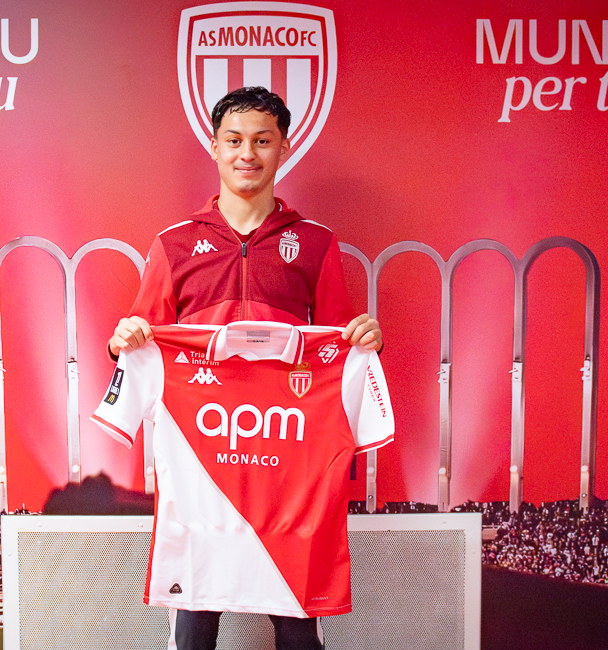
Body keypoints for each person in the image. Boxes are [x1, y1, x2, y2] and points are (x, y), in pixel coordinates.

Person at [106, 87, 383, 650]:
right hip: (202, 468)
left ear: (284, 147)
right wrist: (121, 342)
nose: (247, 153)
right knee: (194, 632)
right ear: (214, 147)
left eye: (261, 140)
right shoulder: (173, 245)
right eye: (234, 140)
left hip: (287, 470)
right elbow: (140, 339)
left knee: (298, 632)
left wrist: (364, 339)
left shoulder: (315, 245)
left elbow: (337, 347)